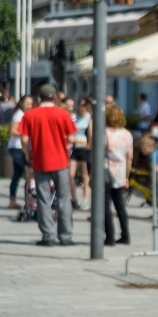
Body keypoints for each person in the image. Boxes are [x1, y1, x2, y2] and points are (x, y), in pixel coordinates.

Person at [18, 84, 77, 246]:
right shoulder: (63, 114)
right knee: (64, 198)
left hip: (40, 161)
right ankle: (65, 236)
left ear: (39, 96)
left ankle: (48, 236)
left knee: (43, 199)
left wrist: (29, 154)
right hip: (61, 161)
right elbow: (71, 139)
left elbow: (23, 140)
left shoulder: (31, 115)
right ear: (55, 97)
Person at [104, 106, 133, 246]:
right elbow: (130, 157)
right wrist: (126, 176)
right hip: (121, 171)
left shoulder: (105, 133)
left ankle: (109, 236)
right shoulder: (127, 134)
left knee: (105, 205)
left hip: (107, 170)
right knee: (120, 205)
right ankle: (125, 235)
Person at [7, 95, 33, 209]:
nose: (29, 106)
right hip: (18, 147)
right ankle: (28, 202)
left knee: (17, 175)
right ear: (21, 103)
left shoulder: (24, 114)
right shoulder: (19, 115)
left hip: (17, 147)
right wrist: (27, 134)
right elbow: (13, 131)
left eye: (31, 103)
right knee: (30, 175)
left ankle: (13, 200)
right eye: (27, 103)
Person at [69, 98, 93, 211]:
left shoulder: (89, 118)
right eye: (80, 105)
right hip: (74, 147)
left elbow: (91, 133)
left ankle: (85, 200)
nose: (82, 107)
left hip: (85, 148)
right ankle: (74, 199)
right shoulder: (74, 117)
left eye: (84, 105)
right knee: (70, 175)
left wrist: (90, 144)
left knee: (85, 175)